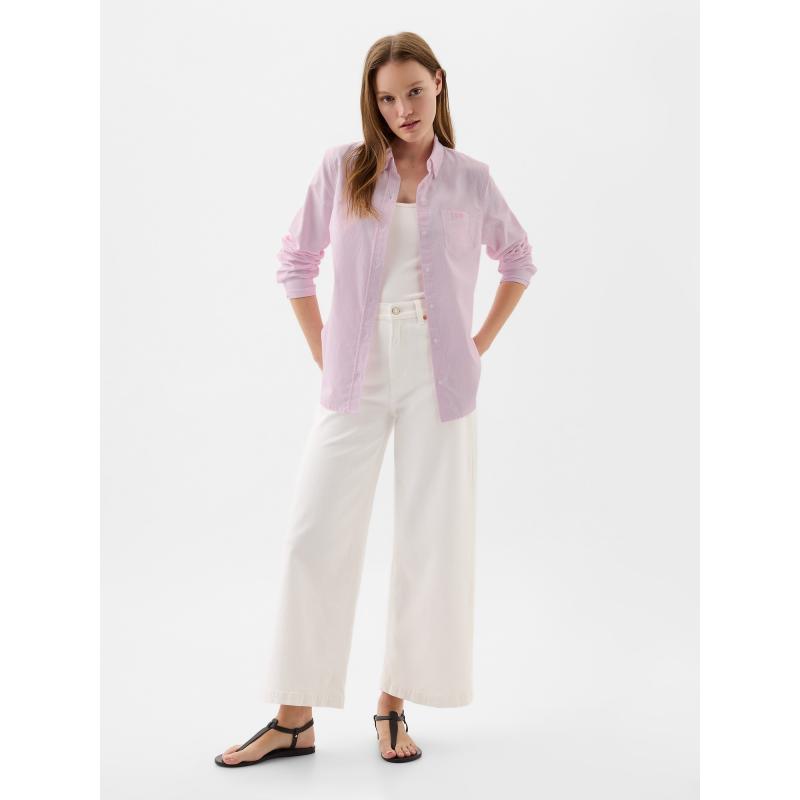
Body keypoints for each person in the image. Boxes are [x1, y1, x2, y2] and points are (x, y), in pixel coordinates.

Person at [215, 30, 536, 768]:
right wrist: (323, 347)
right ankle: (293, 719)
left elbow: (518, 257)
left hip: (439, 373)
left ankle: (393, 704)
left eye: (414, 92)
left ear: (439, 84)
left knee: (428, 540)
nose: (402, 110)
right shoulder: (344, 169)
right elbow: (295, 260)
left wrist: (477, 344)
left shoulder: (471, 180)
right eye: (387, 98)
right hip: (357, 369)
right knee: (313, 532)